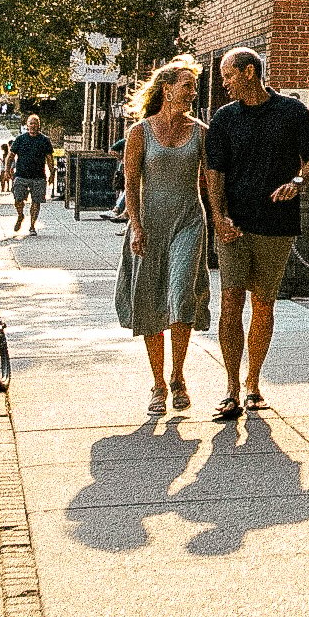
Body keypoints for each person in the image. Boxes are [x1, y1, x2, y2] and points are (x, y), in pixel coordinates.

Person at [201, 47, 309, 420]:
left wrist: (298, 181)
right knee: (230, 302)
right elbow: (214, 171)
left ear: (250, 72)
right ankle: (231, 388)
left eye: (228, 75)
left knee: (263, 303)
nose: (224, 84)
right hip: (234, 224)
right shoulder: (224, 118)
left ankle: (254, 384)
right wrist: (218, 217)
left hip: (276, 223)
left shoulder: (291, 111)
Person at [115, 60, 211, 412]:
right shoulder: (140, 132)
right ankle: (157, 384)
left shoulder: (201, 131)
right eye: (187, 85)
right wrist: (135, 226)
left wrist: (221, 216)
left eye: (192, 85)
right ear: (167, 88)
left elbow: (212, 181)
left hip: (188, 220)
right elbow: (131, 184)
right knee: (151, 299)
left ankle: (178, 376)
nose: (192, 91)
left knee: (181, 294)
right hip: (150, 223)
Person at [5, 114, 54, 235]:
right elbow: (10, 156)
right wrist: (7, 171)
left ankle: (32, 226)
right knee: (18, 199)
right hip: (21, 175)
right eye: (31, 123)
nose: (33, 126)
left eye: (35, 123)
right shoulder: (20, 139)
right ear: (27, 125)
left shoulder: (44, 140)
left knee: (36, 202)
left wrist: (52, 173)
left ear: (39, 125)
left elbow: (49, 158)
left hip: (38, 176)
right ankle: (20, 215)